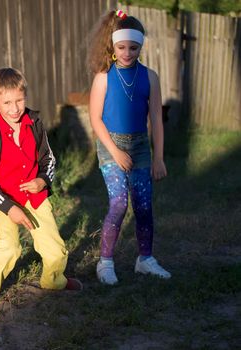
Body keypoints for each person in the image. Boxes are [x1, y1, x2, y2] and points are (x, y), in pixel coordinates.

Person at [0, 68, 82, 314]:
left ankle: (53, 280)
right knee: (9, 246)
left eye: (19, 100)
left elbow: (48, 159)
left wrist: (42, 181)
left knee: (53, 245)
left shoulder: (34, 122)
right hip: (3, 199)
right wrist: (9, 207)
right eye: (7, 102)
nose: (14, 108)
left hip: (34, 195)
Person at [87, 10, 171, 285]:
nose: (127, 53)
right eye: (122, 47)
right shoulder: (104, 76)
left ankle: (145, 259)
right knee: (119, 203)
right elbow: (95, 119)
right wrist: (115, 151)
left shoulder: (150, 77)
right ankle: (105, 262)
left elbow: (156, 118)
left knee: (144, 206)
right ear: (113, 45)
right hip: (112, 145)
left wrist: (158, 157)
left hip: (140, 147)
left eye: (133, 48)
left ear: (141, 46)